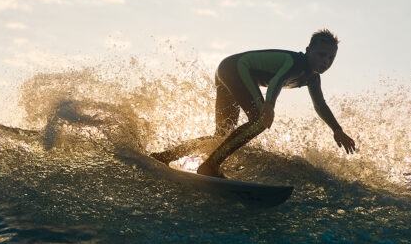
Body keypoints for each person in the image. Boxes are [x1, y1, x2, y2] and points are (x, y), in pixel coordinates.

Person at [151, 29, 357, 177]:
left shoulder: (313, 78)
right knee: (260, 120)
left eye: (331, 57)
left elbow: (320, 105)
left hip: (226, 70)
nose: (326, 61)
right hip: (235, 69)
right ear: (308, 50)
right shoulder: (297, 63)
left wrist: (336, 129)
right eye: (322, 54)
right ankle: (210, 166)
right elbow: (277, 80)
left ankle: (166, 155)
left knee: (222, 134)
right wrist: (268, 107)